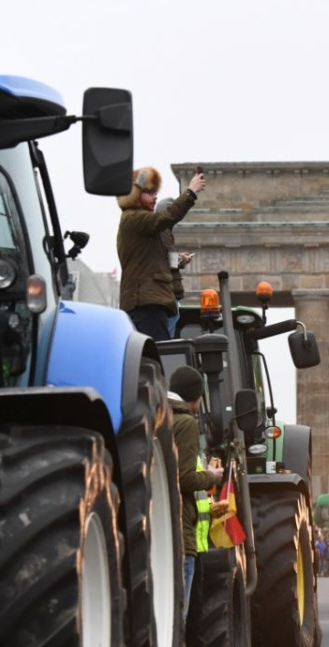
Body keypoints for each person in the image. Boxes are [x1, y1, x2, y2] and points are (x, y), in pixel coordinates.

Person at [117, 166, 206, 343]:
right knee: (159, 356)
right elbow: (166, 216)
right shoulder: (135, 219)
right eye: (149, 193)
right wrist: (191, 192)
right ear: (135, 194)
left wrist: (179, 260)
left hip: (149, 302)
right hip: (147, 304)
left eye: (155, 192)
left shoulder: (142, 225)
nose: (154, 197)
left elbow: (159, 259)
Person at [169, 365, 223, 619]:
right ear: (197, 397)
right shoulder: (186, 424)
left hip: (166, 533)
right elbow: (184, 478)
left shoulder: (160, 418)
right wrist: (211, 476)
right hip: (186, 538)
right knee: (182, 616)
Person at [155, 196, 194, 338]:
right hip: (168, 291)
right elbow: (168, 259)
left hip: (168, 291)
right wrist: (182, 259)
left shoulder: (163, 230)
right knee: (167, 334)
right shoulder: (163, 230)